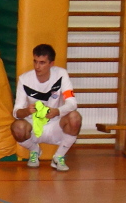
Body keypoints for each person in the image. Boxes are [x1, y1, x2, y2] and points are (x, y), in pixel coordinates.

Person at [11, 43, 82, 171]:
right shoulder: (24, 80)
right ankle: (34, 150)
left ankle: (58, 157)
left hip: (55, 125)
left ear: (51, 64)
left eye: (42, 62)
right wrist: (26, 111)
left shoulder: (61, 74)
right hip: (33, 126)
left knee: (75, 118)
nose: (37, 66)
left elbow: (72, 103)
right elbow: (16, 112)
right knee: (17, 127)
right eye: (35, 61)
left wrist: (57, 111)